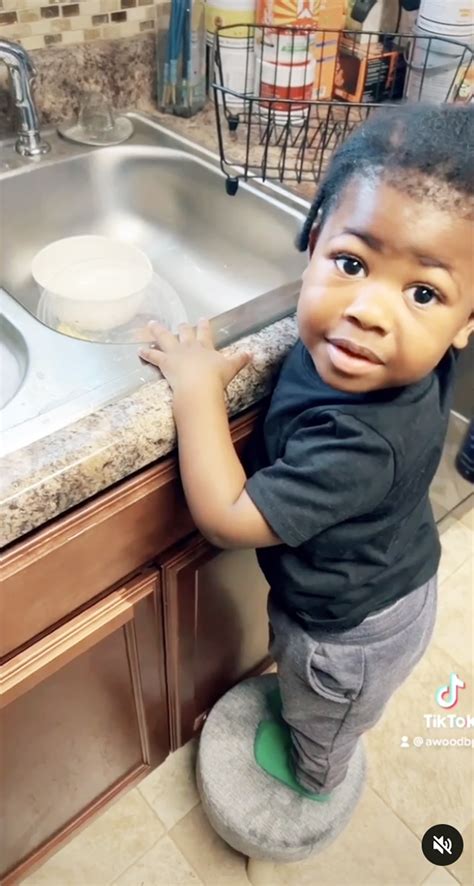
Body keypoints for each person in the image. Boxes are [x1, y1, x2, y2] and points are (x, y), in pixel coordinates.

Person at [139, 104, 474, 800]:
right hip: (380, 578)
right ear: (313, 239)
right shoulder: (389, 355)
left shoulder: (365, 442)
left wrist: (198, 391)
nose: (368, 311)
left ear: (465, 324)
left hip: (348, 637)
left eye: (423, 292)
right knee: (308, 694)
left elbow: (227, 519)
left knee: (321, 723)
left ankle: (317, 779)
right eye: (351, 263)